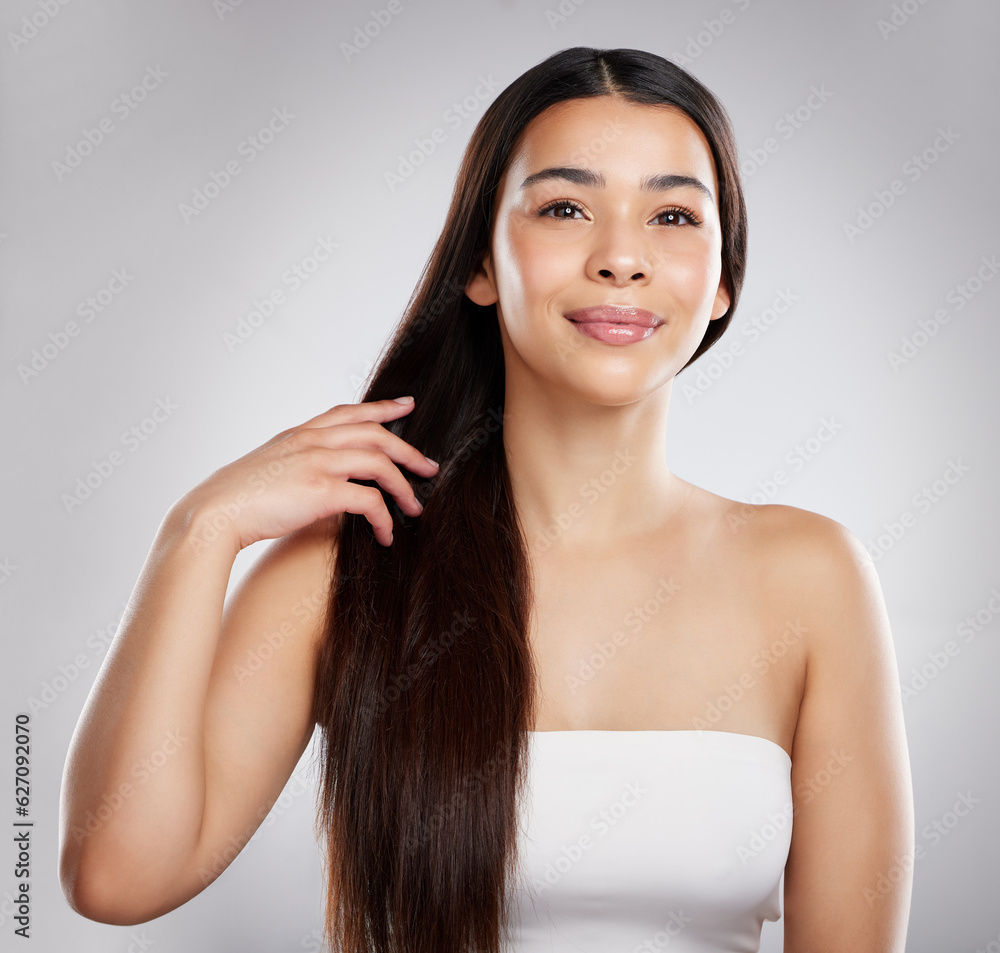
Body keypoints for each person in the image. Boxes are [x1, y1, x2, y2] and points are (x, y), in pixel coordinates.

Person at [59, 46, 914, 952]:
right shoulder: (349, 563)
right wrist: (198, 531)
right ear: (480, 263)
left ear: (722, 284)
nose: (621, 256)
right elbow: (116, 875)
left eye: (671, 214)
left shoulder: (813, 578)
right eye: (565, 208)